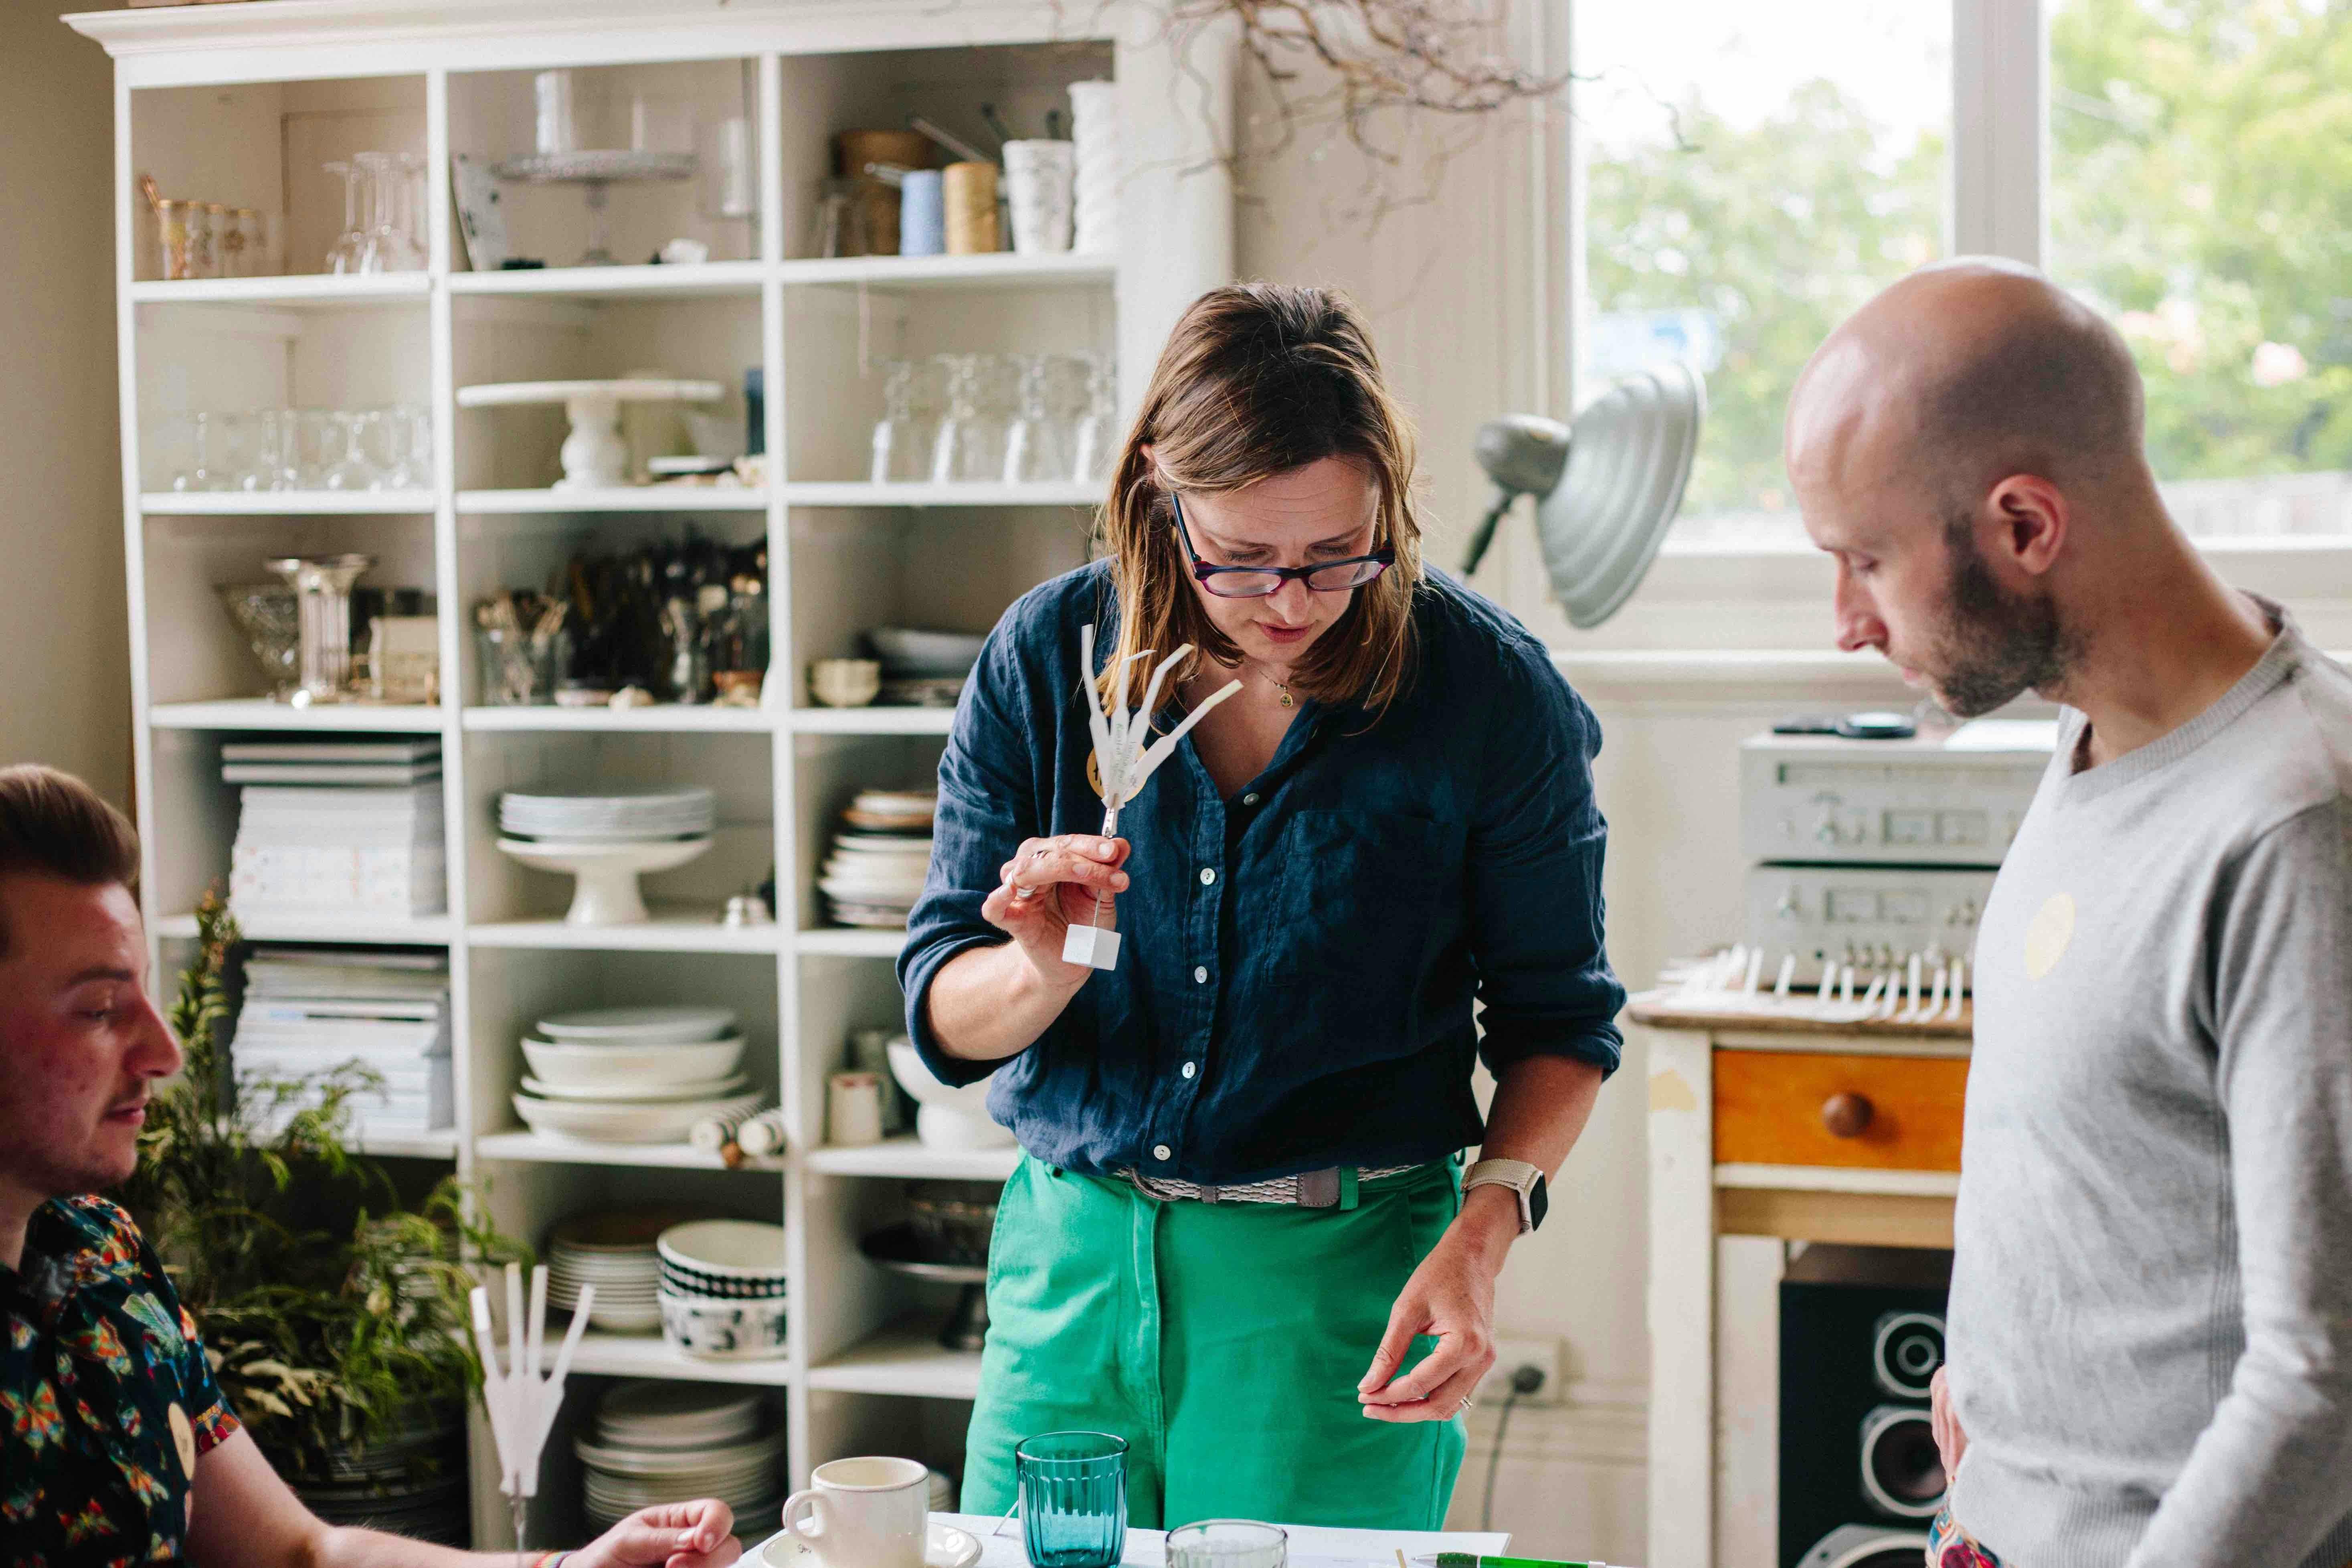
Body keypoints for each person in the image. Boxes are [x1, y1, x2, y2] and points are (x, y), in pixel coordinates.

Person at [898, 282, 1624, 1529]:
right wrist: (1043, 970)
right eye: (1237, 558)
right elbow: (944, 1019)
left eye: (1336, 555)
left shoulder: (1487, 693)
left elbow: (1561, 1021)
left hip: (1337, 1291)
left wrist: (1484, 1234)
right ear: (1153, 500)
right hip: (1070, 1273)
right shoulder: (1046, 658)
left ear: (1387, 508)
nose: (1289, 601)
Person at [1784, 259, 2352, 1567]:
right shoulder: (2095, 733)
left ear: (2023, 529)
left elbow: (2319, 1377)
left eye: (1864, 561)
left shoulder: (2292, 820)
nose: (1841, 624)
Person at [0, 763, 744, 1568]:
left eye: (147, 997)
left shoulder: (103, 1255)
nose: (167, 1052)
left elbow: (299, 1553)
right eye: (102, 1010)